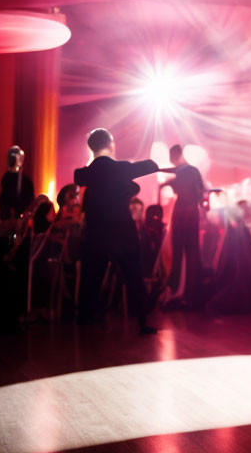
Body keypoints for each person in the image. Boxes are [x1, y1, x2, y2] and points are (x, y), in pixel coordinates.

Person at [73, 128, 158, 334]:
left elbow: (80, 178)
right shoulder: (121, 168)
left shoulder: (83, 174)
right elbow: (150, 166)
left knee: (90, 277)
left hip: (96, 233)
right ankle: (142, 322)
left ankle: (84, 320)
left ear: (91, 148)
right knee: (133, 276)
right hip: (122, 232)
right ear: (111, 144)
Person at [159, 144, 205, 308]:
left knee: (179, 253)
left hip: (182, 215)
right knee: (192, 254)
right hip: (192, 214)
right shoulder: (192, 171)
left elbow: (175, 174)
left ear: (175, 155)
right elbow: (202, 192)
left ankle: (178, 293)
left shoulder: (183, 172)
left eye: (171, 157)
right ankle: (191, 294)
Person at [0, 145, 35, 220]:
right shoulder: (7, 177)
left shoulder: (26, 180)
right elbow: (4, 195)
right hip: (8, 216)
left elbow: (29, 199)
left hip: (20, 216)